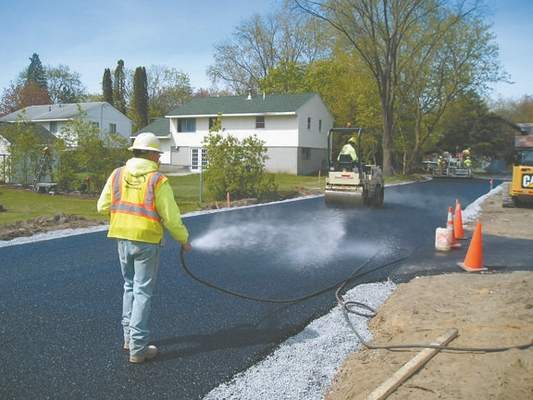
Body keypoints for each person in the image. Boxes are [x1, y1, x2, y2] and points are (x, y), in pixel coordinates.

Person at [97, 132, 192, 364]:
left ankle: (129, 338)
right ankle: (138, 349)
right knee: (142, 292)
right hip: (147, 241)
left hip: (121, 237)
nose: (159, 159)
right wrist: (183, 239)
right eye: (157, 154)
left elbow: (102, 206)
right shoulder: (157, 180)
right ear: (150, 154)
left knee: (129, 286)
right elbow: (171, 217)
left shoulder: (117, 174)